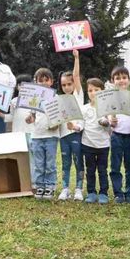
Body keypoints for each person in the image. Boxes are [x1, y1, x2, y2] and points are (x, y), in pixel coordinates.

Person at [26, 68, 60, 200]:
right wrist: (29, 119)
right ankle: (39, 186)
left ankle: (50, 187)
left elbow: (60, 116)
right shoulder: (34, 98)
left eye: (47, 80)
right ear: (36, 82)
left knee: (50, 163)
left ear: (51, 82)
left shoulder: (55, 97)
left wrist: (56, 123)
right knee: (38, 163)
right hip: (36, 136)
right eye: (40, 81)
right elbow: (32, 117)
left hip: (51, 136)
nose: (44, 83)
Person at [108, 66, 130, 203]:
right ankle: (118, 192)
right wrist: (111, 120)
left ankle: (129, 191)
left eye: (124, 77)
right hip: (116, 135)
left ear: (129, 79)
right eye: (117, 78)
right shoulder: (111, 98)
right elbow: (108, 115)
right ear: (112, 81)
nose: (121, 81)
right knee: (115, 165)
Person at [57, 50, 85, 201]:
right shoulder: (59, 99)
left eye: (69, 84)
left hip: (76, 134)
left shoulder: (78, 95)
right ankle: (65, 188)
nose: (67, 87)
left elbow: (75, 75)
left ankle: (79, 189)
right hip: (63, 136)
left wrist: (76, 58)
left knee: (78, 162)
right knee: (66, 162)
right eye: (63, 85)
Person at [81, 78, 111, 204]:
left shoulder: (107, 108)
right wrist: (74, 127)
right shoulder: (85, 108)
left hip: (103, 144)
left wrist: (106, 123)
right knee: (90, 169)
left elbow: (110, 125)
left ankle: (103, 192)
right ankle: (91, 192)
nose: (93, 93)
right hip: (88, 144)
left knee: (103, 169)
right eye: (90, 90)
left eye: (96, 90)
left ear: (102, 91)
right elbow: (81, 125)